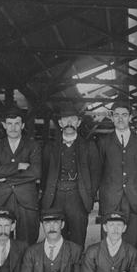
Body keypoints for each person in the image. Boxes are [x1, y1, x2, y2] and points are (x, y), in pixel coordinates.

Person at [40, 103, 97, 247]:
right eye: (66, 119)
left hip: (78, 198)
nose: (69, 123)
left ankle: (76, 268)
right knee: (56, 239)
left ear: (78, 122)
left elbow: (96, 175)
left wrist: (89, 195)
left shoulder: (89, 147)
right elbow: (44, 174)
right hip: (55, 198)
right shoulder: (50, 147)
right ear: (60, 123)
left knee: (78, 239)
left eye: (73, 119)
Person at [94, 100, 137, 248]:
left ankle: (129, 271)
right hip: (110, 198)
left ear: (130, 117)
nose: (120, 118)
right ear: (111, 118)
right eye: (116, 115)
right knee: (108, 243)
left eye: (124, 115)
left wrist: (132, 184)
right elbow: (99, 170)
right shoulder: (103, 142)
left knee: (131, 242)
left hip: (133, 198)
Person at [0, 107, 41, 244]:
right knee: (2, 242)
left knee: (27, 242)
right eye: (9, 124)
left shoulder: (33, 146)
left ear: (22, 125)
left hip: (27, 201)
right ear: (4, 125)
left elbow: (36, 172)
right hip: (2, 200)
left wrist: (5, 178)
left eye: (17, 123)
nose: (13, 127)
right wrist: (18, 167)